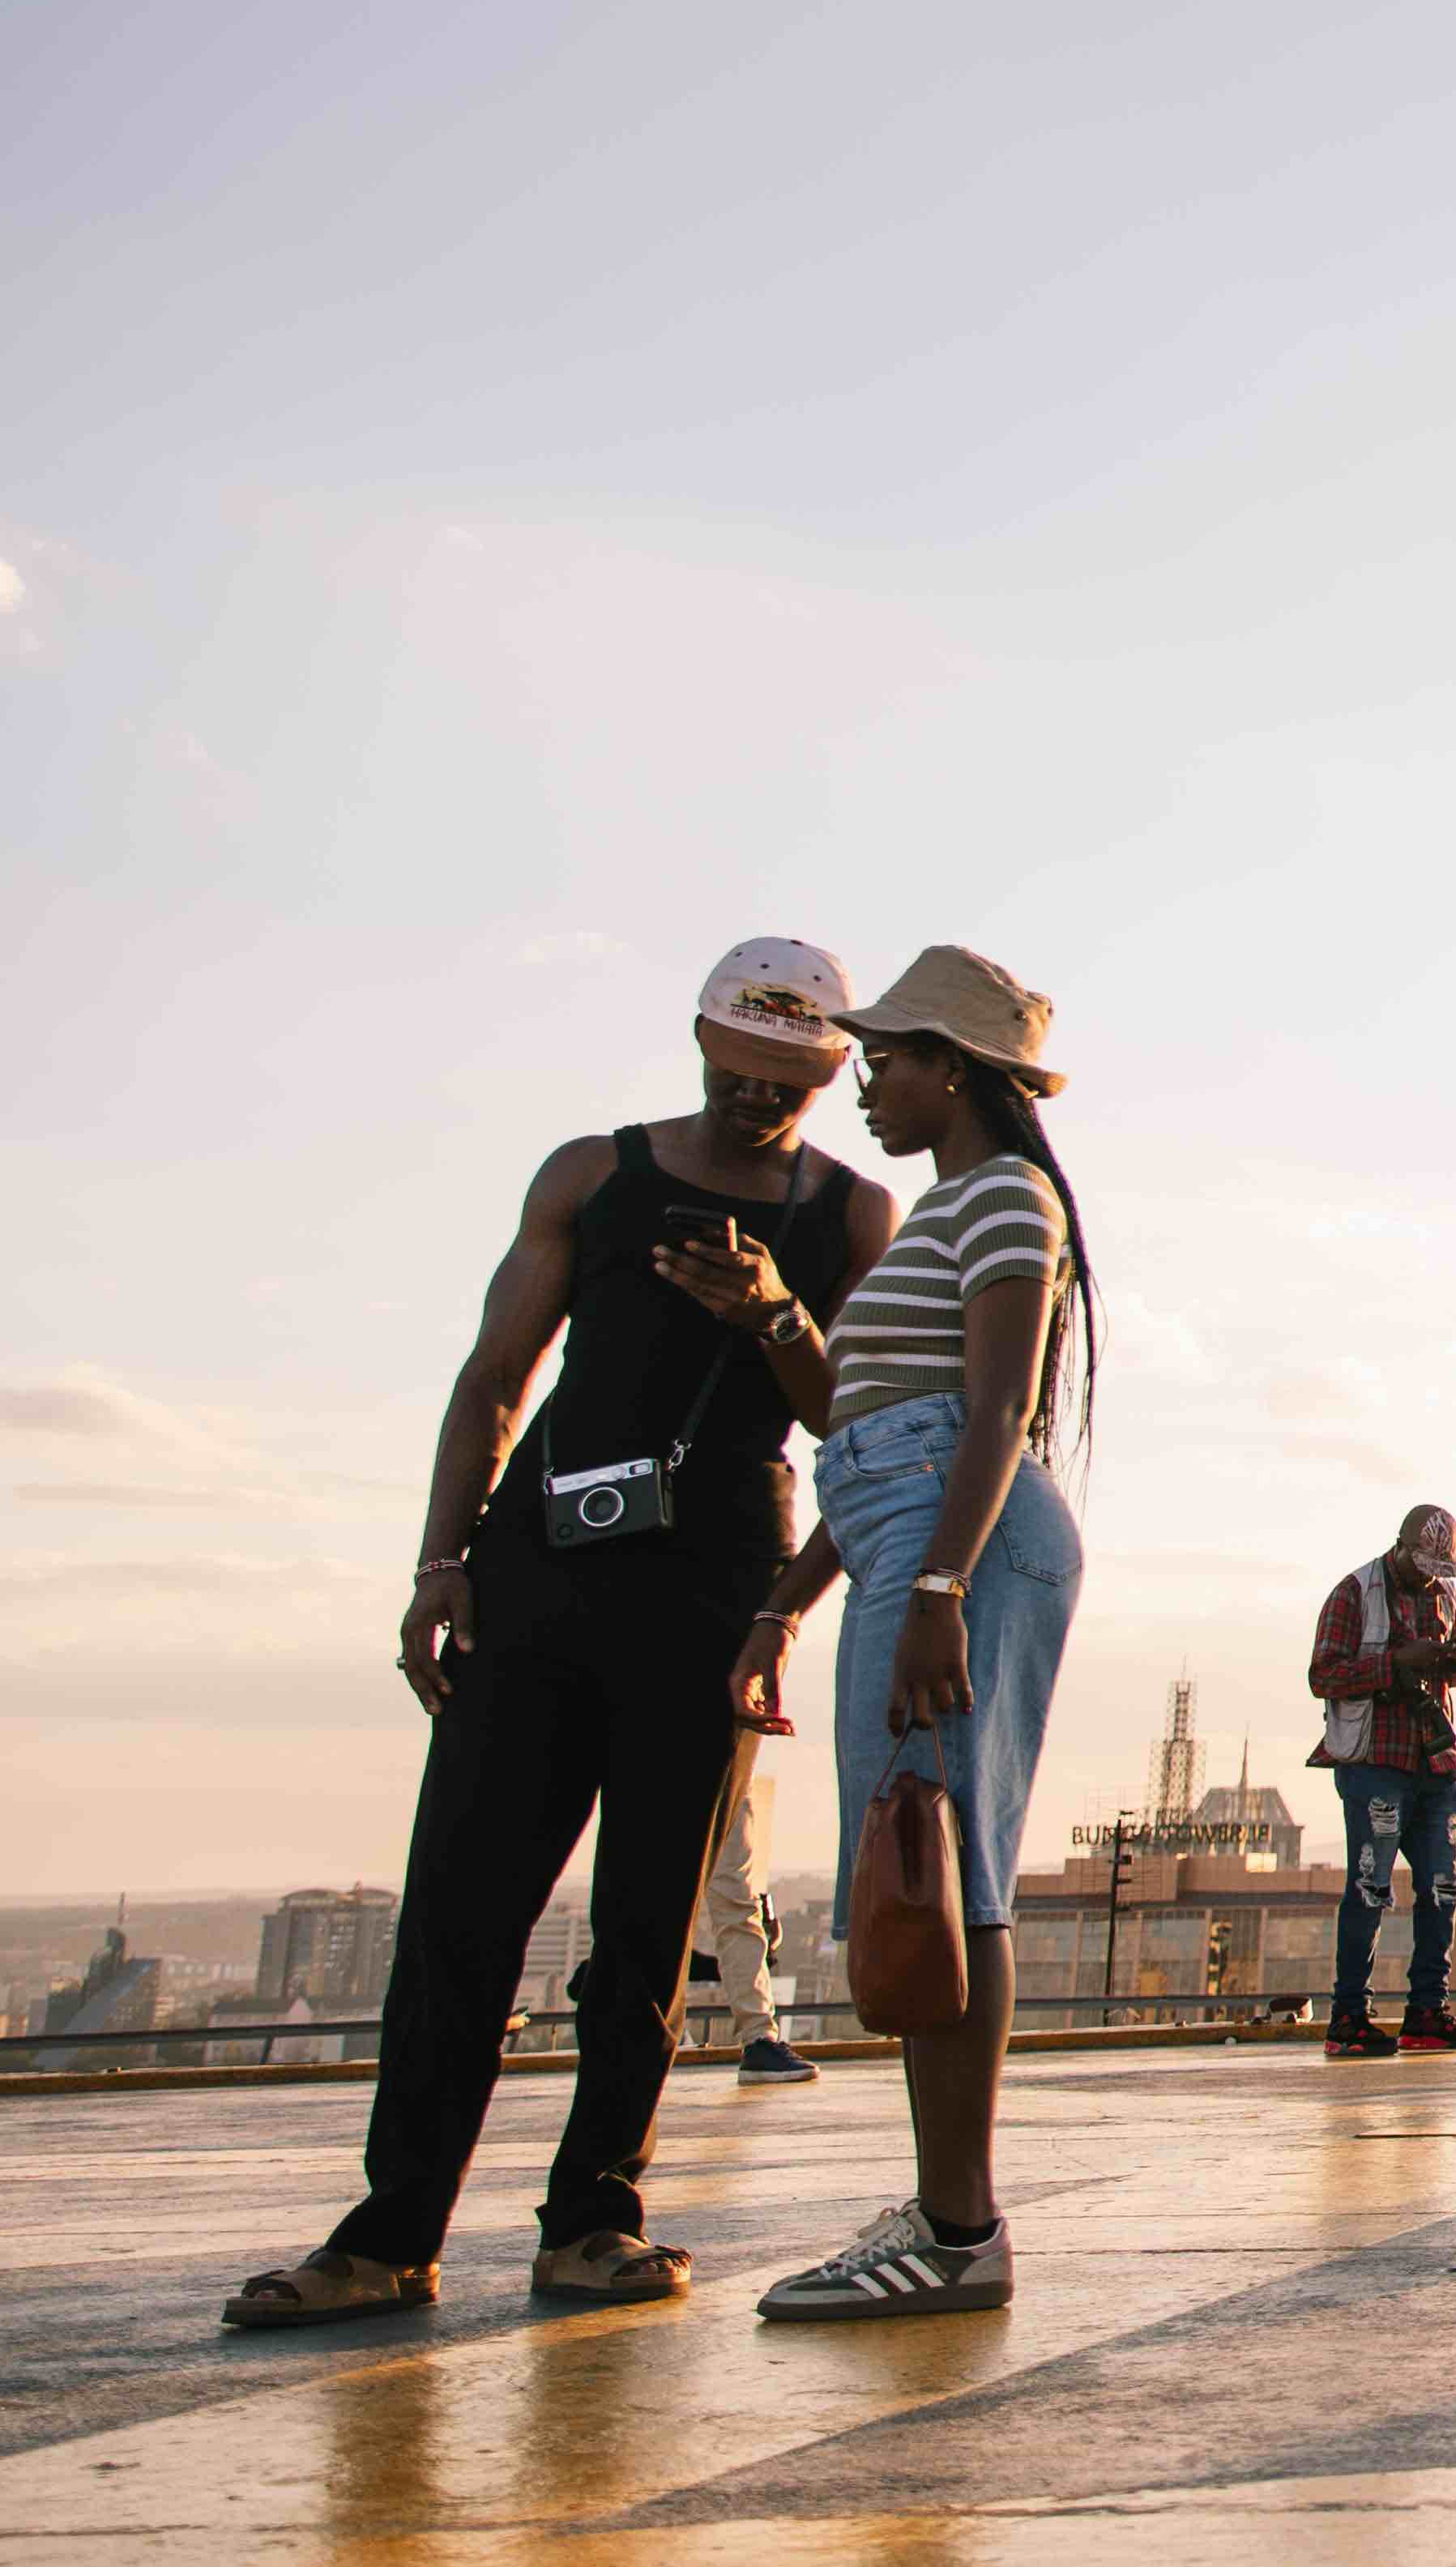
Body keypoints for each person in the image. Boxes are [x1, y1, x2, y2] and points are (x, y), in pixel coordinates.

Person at [226, 942, 893, 2330]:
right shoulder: (593, 1176)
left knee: (646, 1931)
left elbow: (858, 1421)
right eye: (732, 1072)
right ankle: (389, 2233)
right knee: (460, 1913)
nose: (753, 1101)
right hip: (539, 1572)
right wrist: (439, 1562)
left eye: (784, 1084)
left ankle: (593, 2221)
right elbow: (495, 1376)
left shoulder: (853, 1215)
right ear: (697, 1039)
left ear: (832, 1073)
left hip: (712, 1592)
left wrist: (772, 1310)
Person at [741, 946, 1097, 2325]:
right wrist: (784, 1602)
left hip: (964, 1544)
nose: (868, 1084)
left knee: (943, 1870)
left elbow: (995, 1411)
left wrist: (942, 1589)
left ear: (954, 1070)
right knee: (921, 1859)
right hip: (913, 1531)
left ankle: (956, 2230)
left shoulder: (1005, 1197)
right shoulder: (955, 1210)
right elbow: (864, 1435)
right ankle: (945, 2212)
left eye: (886, 1060)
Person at [1306, 1503, 1456, 2057]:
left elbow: (1453, 1673)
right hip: (1374, 1761)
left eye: (1440, 1565)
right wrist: (1394, 1663)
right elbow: (1323, 1675)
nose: (1431, 1575)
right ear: (1401, 1547)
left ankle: (1426, 2013)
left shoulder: (1443, 1595)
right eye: (1424, 1563)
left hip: (1432, 1761)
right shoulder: (1354, 1593)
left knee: (1443, 1886)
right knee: (1369, 1887)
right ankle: (1348, 2017)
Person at [687, 1713, 817, 2086]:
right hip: (709, 1756)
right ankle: (759, 2039)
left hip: (711, 1761)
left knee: (734, 1909)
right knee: (736, 1909)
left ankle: (760, 2039)